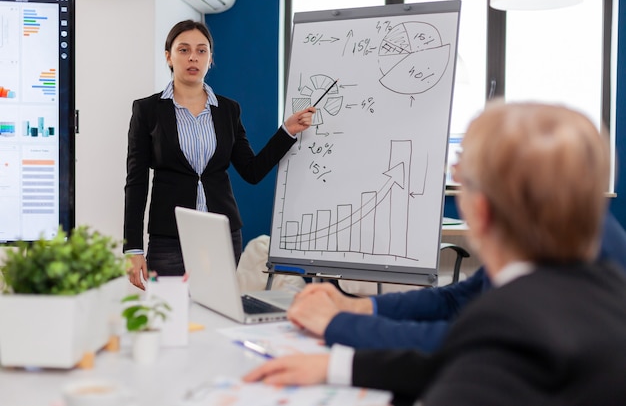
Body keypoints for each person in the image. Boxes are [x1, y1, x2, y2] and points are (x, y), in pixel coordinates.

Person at [244, 101, 626, 406]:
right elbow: (462, 314)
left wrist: (339, 331)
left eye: (460, 173)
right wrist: (352, 324)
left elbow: (464, 350)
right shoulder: (596, 274)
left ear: (480, 210)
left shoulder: (508, 320)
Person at [124, 20, 315, 290]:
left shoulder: (228, 110)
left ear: (210, 59)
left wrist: (287, 131)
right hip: (169, 237)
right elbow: (136, 182)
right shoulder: (148, 110)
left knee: (215, 314)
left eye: (202, 51)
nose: (193, 57)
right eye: (184, 50)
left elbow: (252, 170)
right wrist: (133, 249)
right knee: (172, 314)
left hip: (222, 236)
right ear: (168, 56)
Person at [284, 211, 626, 353]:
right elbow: (457, 300)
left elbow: (476, 343)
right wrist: (357, 306)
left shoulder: (571, 243)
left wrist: (337, 325)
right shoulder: (535, 223)